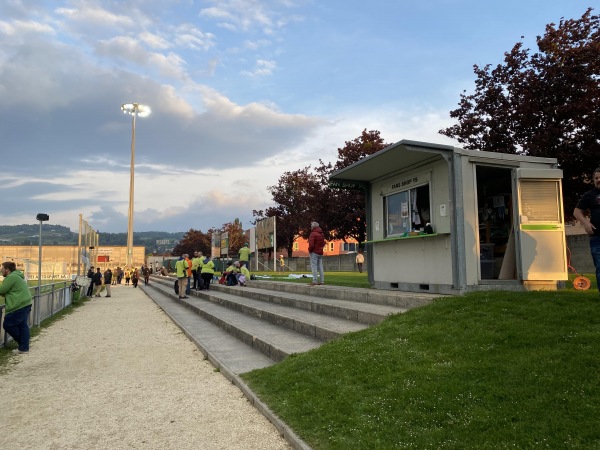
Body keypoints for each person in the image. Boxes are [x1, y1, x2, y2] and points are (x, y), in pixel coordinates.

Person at [574, 167, 600, 293]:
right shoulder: (590, 195)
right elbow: (577, 211)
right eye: (596, 178)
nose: (598, 180)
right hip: (597, 238)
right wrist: (586, 223)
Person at [0, 261, 33, 353]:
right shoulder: (17, 276)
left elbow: (2, 290)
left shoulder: (11, 277)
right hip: (25, 303)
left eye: (2, 268)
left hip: (18, 305)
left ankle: (23, 344)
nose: (1, 270)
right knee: (23, 326)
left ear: (7, 269)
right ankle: (24, 347)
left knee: (8, 325)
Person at [308, 221, 325, 286]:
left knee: (314, 266)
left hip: (314, 252)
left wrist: (310, 250)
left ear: (313, 227)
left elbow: (311, 244)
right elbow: (323, 243)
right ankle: (322, 281)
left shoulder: (313, 234)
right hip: (320, 252)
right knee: (320, 266)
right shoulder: (321, 234)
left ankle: (315, 281)